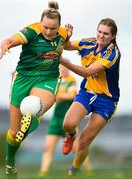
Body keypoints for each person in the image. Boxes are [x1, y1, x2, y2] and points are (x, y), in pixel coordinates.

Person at [0, 1, 71, 178]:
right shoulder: (31, 31)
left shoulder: (61, 32)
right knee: (15, 134)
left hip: (48, 78)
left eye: (52, 28)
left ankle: (32, 118)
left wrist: (69, 37)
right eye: (45, 27)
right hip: (23, 78)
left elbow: (65, 42)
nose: (48, 31)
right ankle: (10, 162)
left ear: (58, 27)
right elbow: (11, 39)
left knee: (33, 106)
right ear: (40, 24)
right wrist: (5, 45)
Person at [60, 18, 121, 178]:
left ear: (113, 36)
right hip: (87, 93)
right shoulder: (88, 42)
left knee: (84, 141)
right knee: (68, 124)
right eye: (99, 31)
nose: (101, 35)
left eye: (106, 33)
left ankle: (73, 170)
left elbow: (88, 72)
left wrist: (63, 62)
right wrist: (66, 36)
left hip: (106, 101)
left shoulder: (112, 53)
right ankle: (71, 136)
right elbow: (66, 46)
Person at [38, 64, 93, 178]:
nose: (61, 70)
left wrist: (55, 94)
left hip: (69, 120)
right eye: (60, 68)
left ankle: (89, 171)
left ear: (67, 69)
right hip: (55, 120)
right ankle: (42, 174)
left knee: (78, 148)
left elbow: (71, 95)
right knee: (48, 147)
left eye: (63, 68)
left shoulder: (71, 80)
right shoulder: (56, 81)